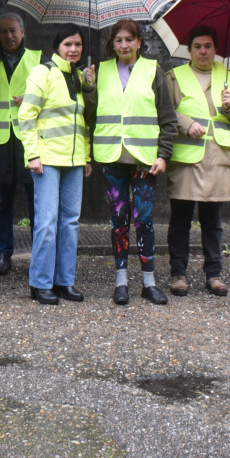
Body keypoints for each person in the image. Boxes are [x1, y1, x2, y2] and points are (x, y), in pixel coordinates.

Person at [92, 19, 178, 305]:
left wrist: (163, 155)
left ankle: (149, 283)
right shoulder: (100, 71)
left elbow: (168, 119)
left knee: (144, 221)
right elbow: (90, 113)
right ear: (112, 44)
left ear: (139, 41)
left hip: (144, 160)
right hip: (112, 157)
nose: (124, 45)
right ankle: (121, 282)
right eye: (118, 40)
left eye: (130, 39)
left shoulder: (154, 71)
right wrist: (89, 89)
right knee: (118, 220)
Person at [165, 25, 230, 298]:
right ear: (189, 50)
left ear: (216, 50)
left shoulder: (229, 79)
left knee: (212, 221)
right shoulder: (174, 78)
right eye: (198, 46)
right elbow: (164, 110)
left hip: (216, 159)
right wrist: (186, 123)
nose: (203, 51)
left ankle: (213, 274)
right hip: (186, 158)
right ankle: (178, 274)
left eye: (208, 46)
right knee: (180, 219)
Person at [19, 25, 94, 305]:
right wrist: (32, 154)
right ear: (57, 47)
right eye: (67, 44)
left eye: (77, 44)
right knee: (47, 222)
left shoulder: (79, 78)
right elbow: (26, 115)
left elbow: (81, 122)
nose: (73, 49)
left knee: (71, 223)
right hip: (47, 159)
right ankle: (40, 283)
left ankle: (64, 281)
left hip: (74, 161)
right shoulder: (43, 72)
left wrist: (86, 157)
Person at [0, 12, 42, 276]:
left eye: (13, 31)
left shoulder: (38, 59)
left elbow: (54, 89)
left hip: (28, 140)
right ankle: (4, 254)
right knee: (2, 202)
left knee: (37, 201)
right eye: (3, 32)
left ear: (23, 32)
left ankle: (40, 254)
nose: (9, 36)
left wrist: (33, 96)